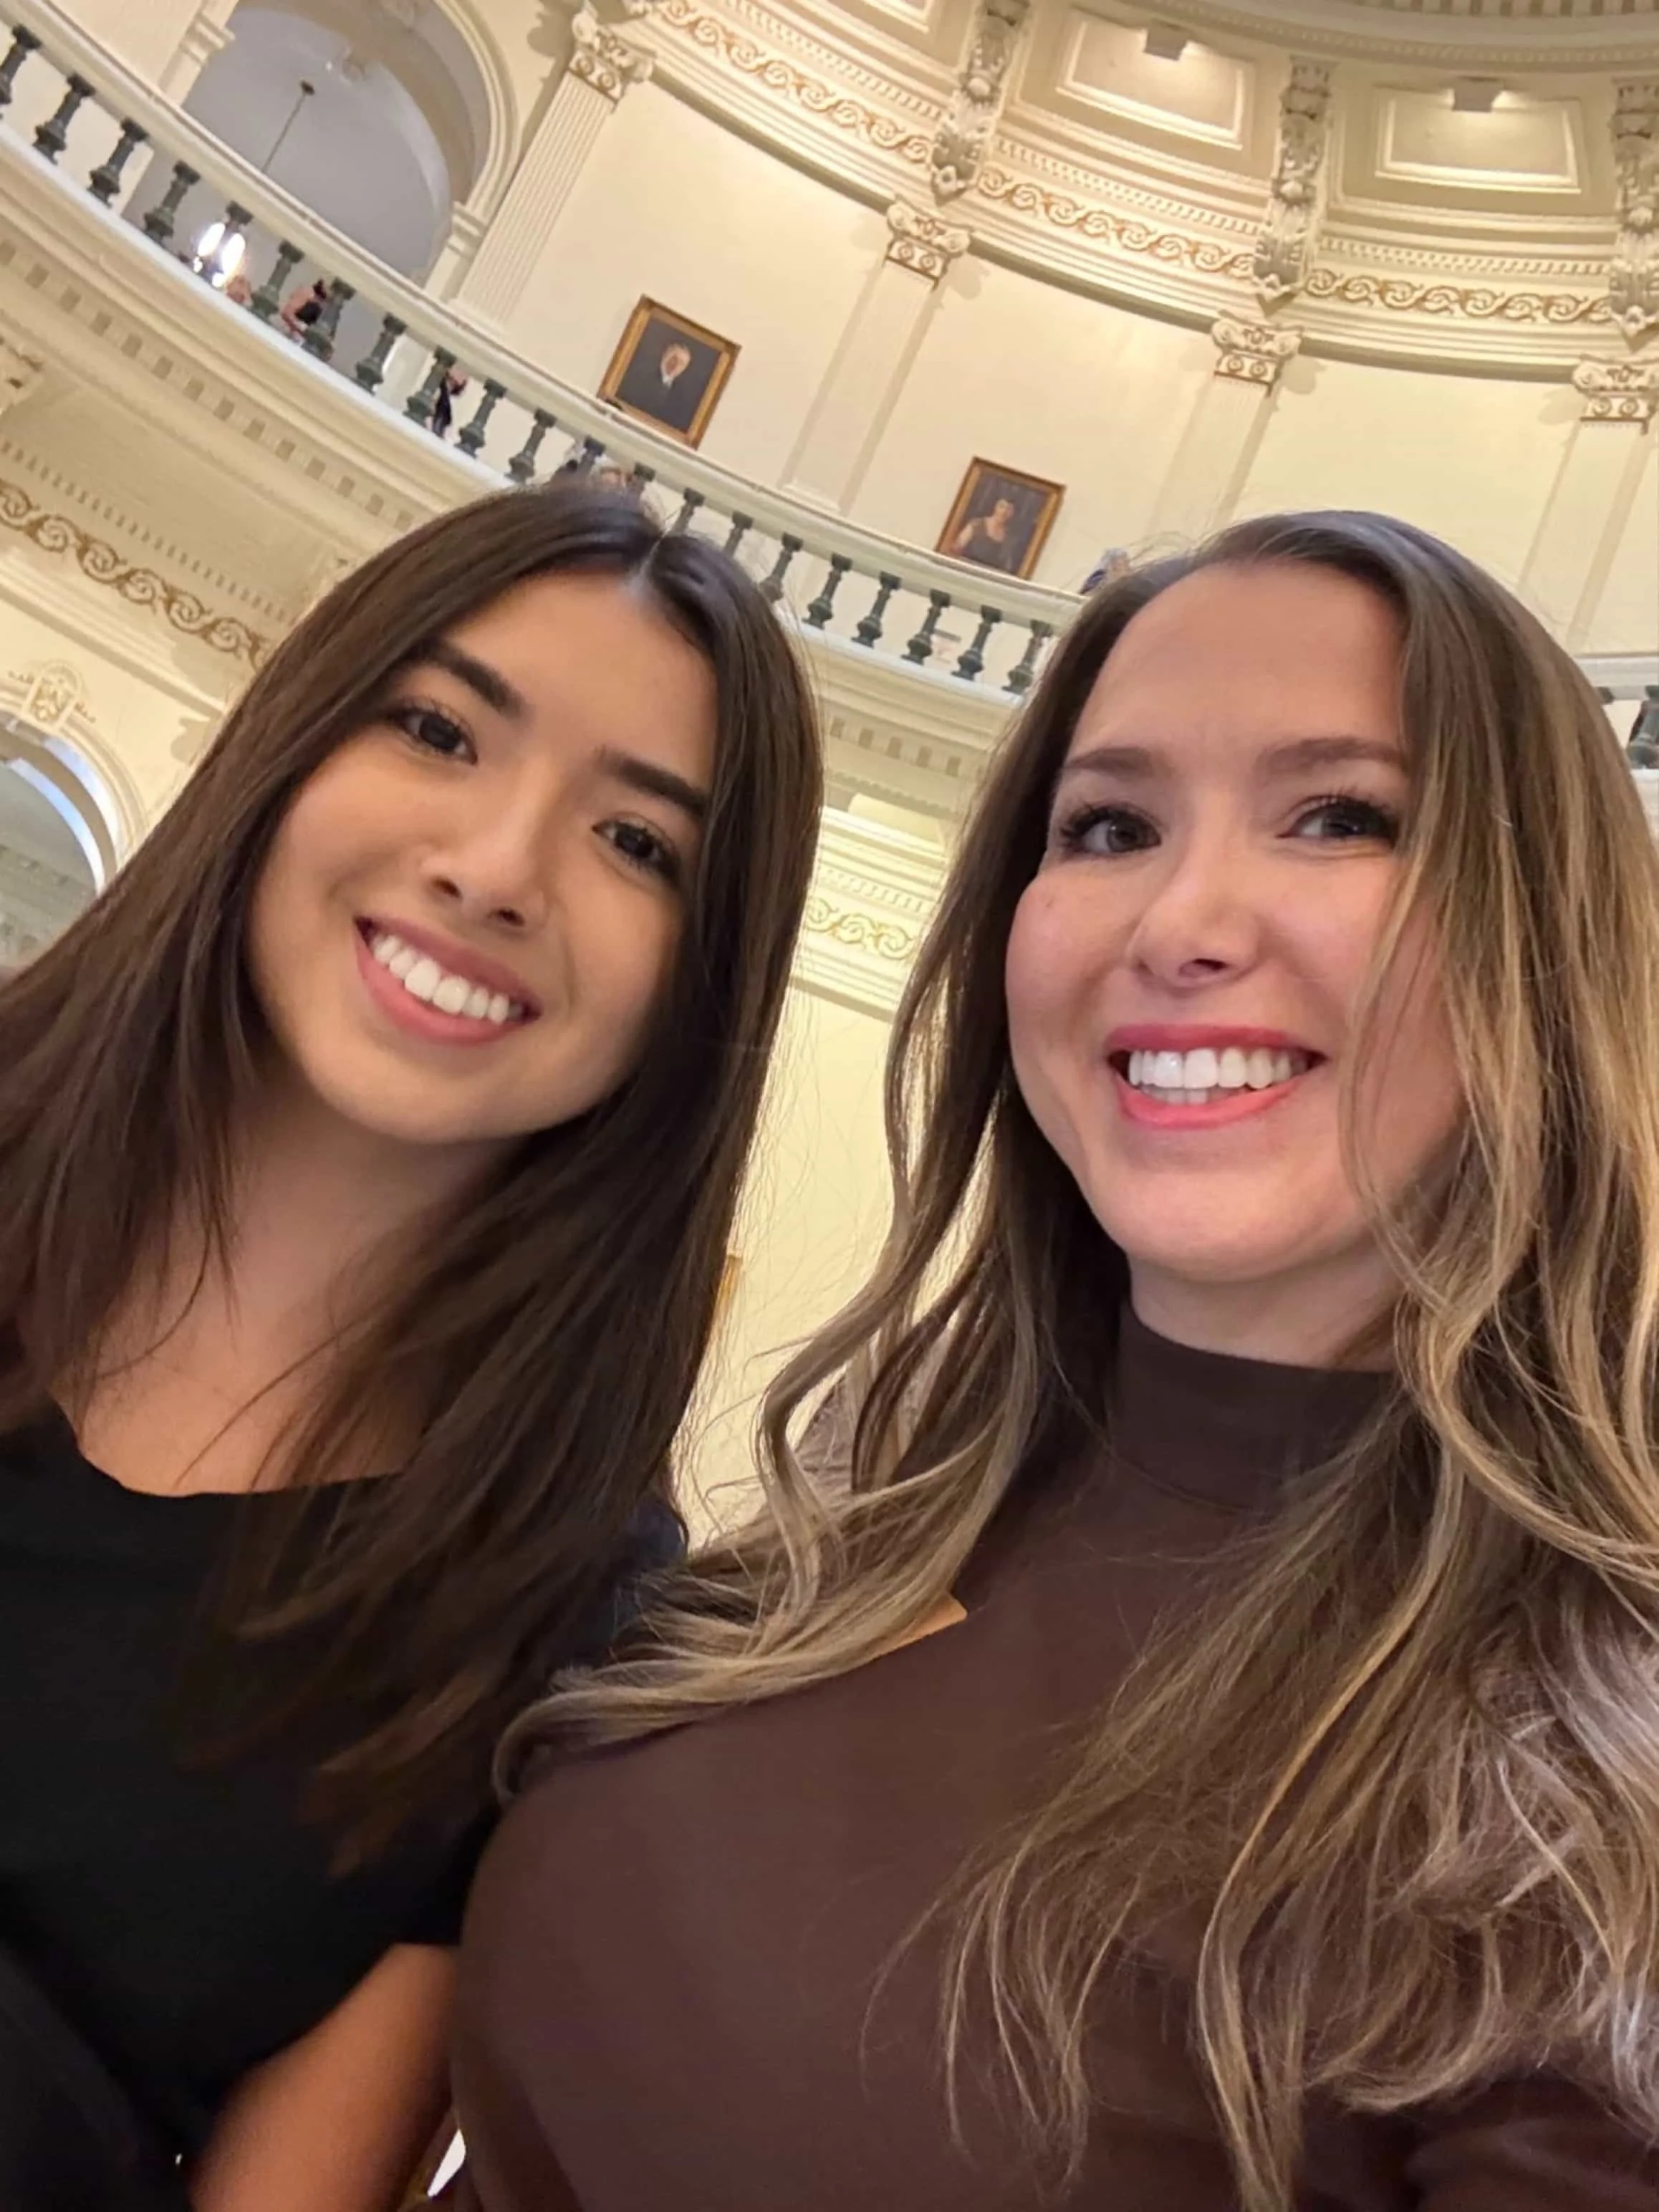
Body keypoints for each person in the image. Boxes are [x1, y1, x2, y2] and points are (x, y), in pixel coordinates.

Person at [453, 509, 1659, 2210]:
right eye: (1105, 825)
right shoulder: (828, 1561)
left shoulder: (1591, 1803)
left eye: (1337, 817)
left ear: (1544, 944)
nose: (1179, 919)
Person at [0, 482, 821, 2206]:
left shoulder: (562, 1615)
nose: (496, 868)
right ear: (291, 749)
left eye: (637, 843)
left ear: (704, 986)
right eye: (440, 730)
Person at [951, 493, 1024, 574]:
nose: (1004, 512)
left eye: (1009, 509)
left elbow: (1007, 567)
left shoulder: (1010, 538)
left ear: (1013, 514)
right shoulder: (976, 524)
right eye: (1001, 506)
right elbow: (956, 548)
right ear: (995, 507)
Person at [280, 276, 330, 340]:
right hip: (287, 327)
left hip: (298, 333)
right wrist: (299, 328)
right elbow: (287, 313)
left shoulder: (321, 306)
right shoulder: (307, 293)